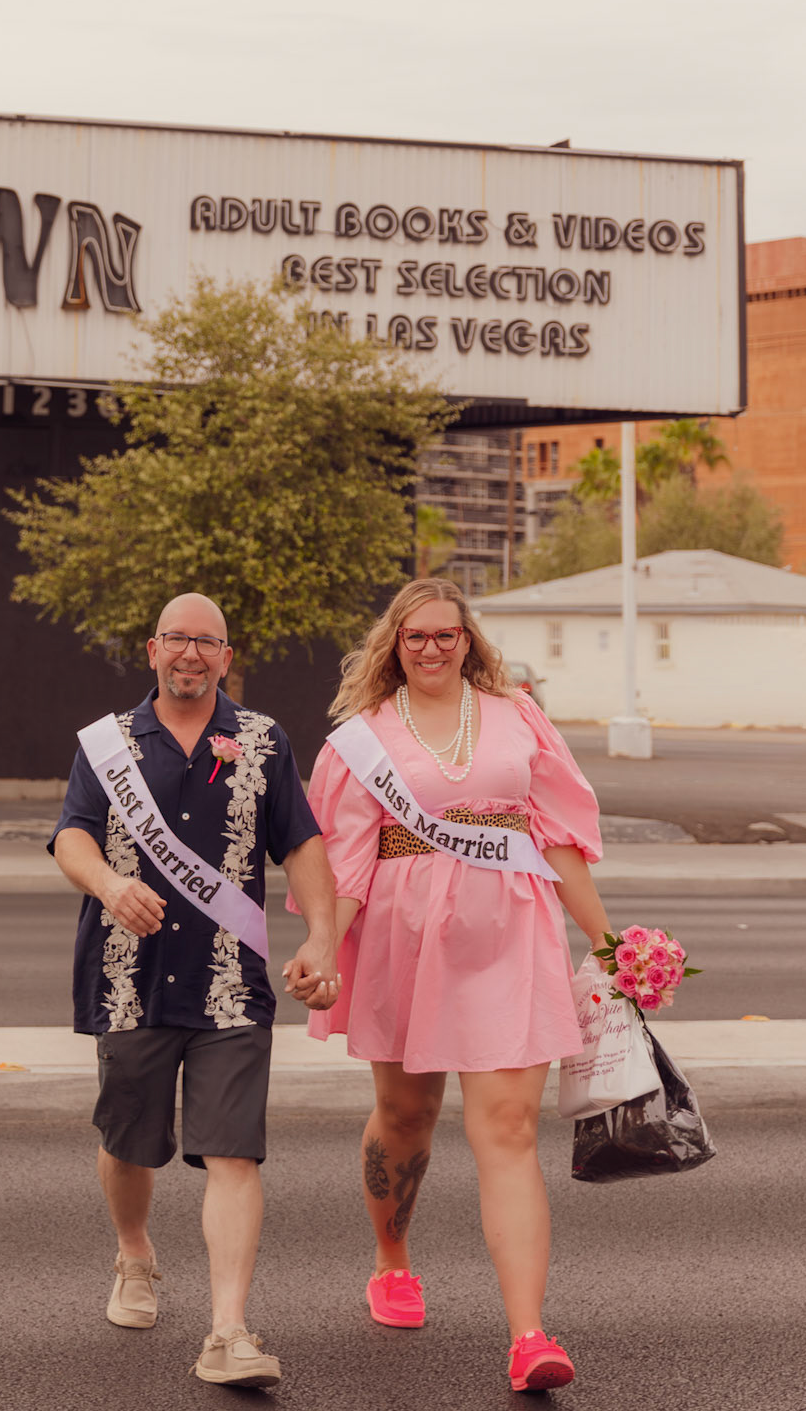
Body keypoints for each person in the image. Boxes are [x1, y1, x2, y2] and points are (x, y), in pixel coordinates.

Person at [294, 576, 610, 1395]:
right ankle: (391, 1260)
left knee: (507, 1129)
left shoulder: (516, 715)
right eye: (415, 636)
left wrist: (606, 940)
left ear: (467, 640)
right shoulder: (363, 737)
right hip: (406, 942)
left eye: (445, 633)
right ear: (393, 645)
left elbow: (556, 836)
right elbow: (347, 863)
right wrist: (323, 946)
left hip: (512, 933)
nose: (431, 647)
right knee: (406, 1114)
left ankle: (528, 1336)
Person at [51, 591, 339, 1390]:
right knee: (128, 1141)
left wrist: (321, 937)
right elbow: (70, 835)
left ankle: (228, 1331)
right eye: (176, 639)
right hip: (128, 978)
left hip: (229, 985)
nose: (190, 654)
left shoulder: (262, 741)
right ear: (152, 650)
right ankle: (134, 1254)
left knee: (233, 1152)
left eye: (206, 642)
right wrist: (110, 884)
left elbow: (302, 844)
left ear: (225, 656)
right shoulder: (108, 743)